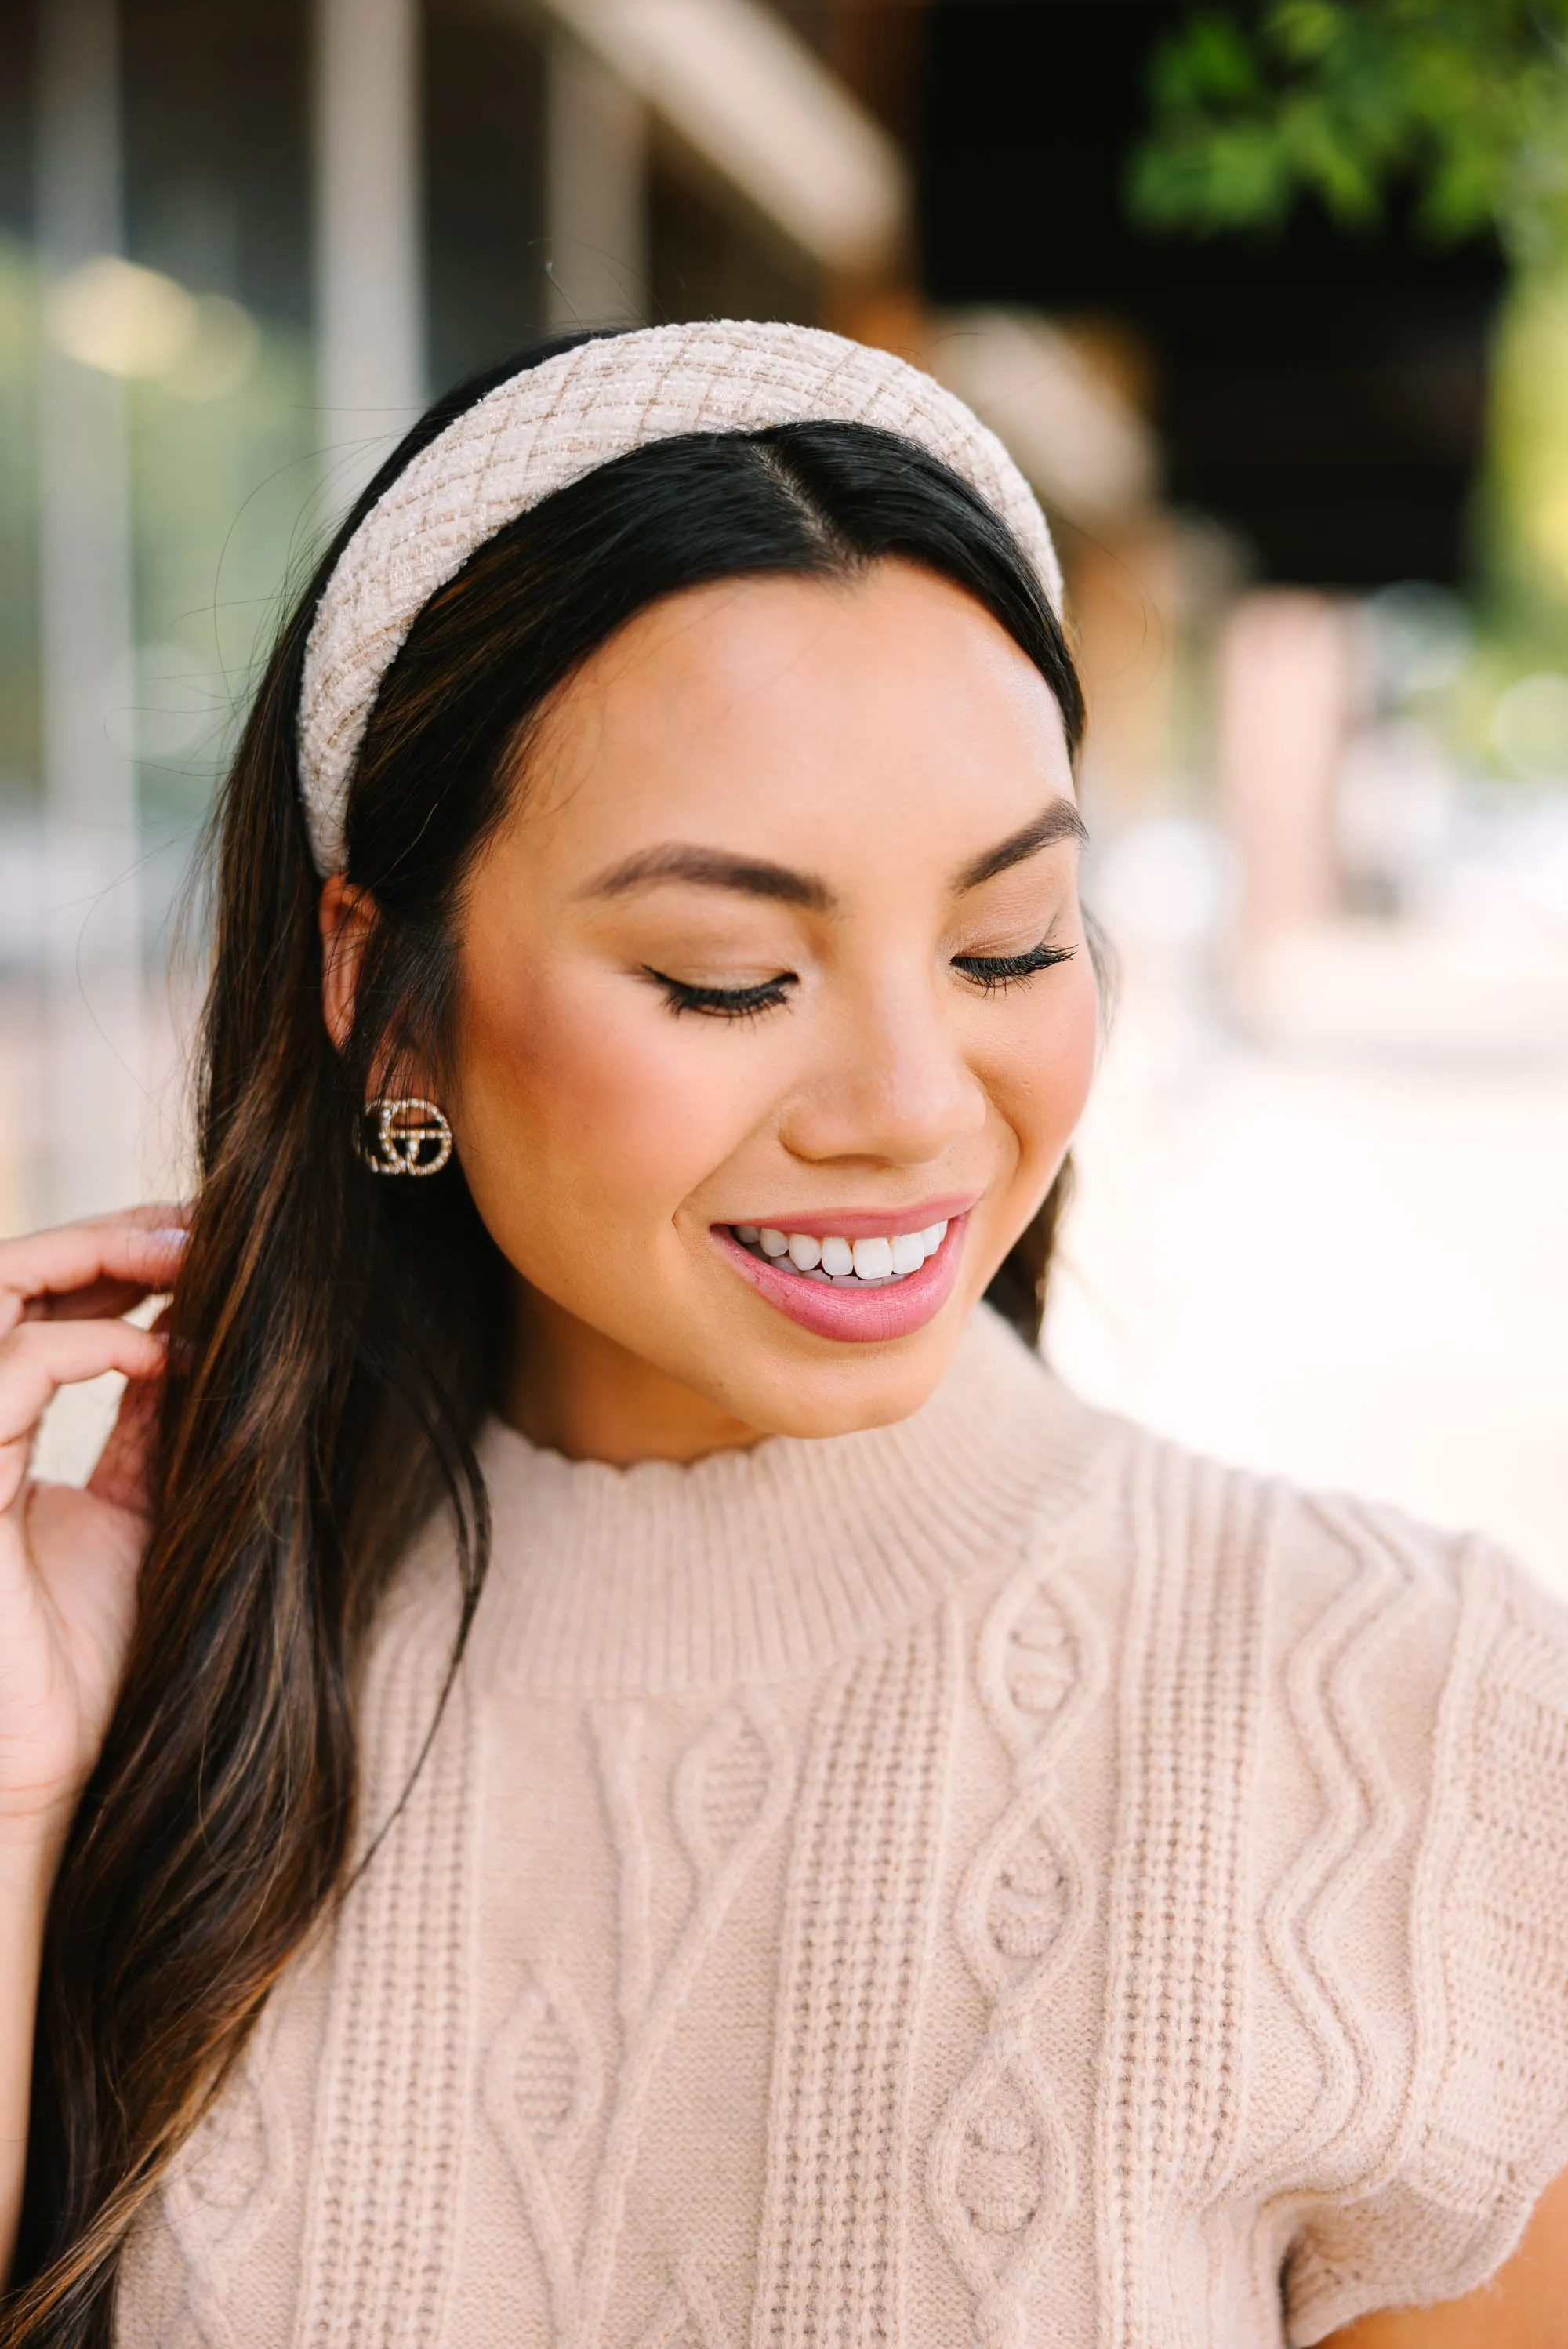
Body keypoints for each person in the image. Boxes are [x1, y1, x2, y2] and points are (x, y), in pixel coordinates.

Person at [2, 322, 1566, 2349]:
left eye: (1011, 942)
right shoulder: (138, 1691)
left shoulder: (1412, 1718)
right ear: (383, 996)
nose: (916, 1102)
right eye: (729, 974)